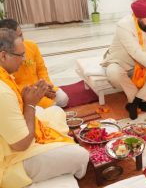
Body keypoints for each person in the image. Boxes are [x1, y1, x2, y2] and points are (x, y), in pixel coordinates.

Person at [0, 28, 89, 188]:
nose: (24, 58)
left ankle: (58, 161)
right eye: (20, 55)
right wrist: (30, 104)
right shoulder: (2, 92)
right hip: (10, 160)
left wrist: (33, 92)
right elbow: (21, 144)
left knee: (55, 112)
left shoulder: (4, 76)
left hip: (12, 134)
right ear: (3, 55)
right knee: (81, 155)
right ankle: (69, 169)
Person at [0, 19, 69, 108]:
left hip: (42, 87)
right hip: (26, 94)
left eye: (21, 35)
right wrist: (37, 90)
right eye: (17, 37)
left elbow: (41, 69)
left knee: (63, 99)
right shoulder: (6, 59)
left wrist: (46, 85)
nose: (21, 39)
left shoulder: (31, 46)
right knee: (54, 107)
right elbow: (12, 88)